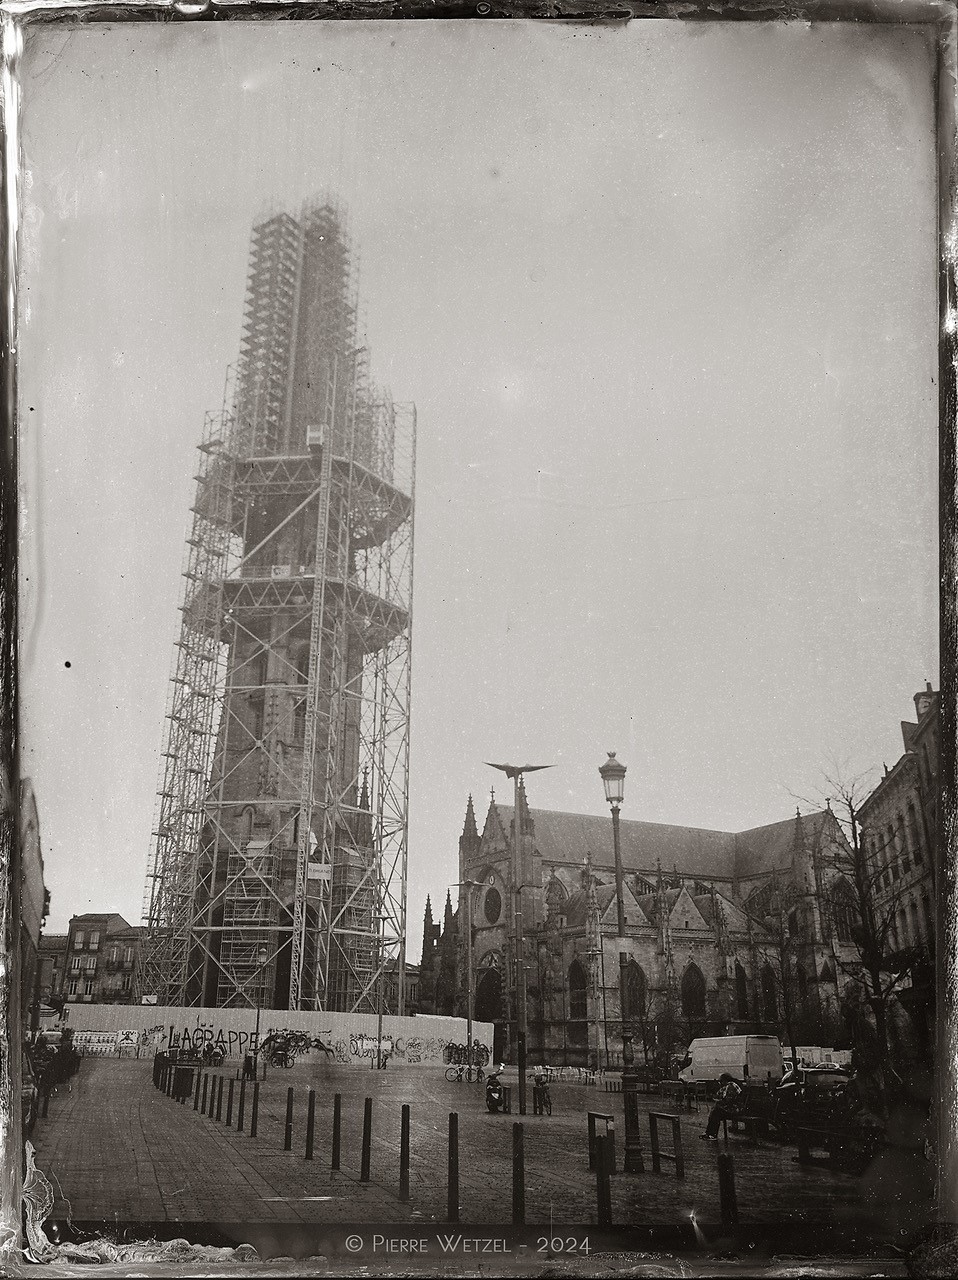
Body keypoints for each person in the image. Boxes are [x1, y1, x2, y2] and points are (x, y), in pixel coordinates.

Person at [701, 1073, 744, 1141]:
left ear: (725, 1080)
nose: (720, 1083)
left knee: (716, 1112)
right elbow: (721, 1096)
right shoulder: (727, 1086)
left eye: (720, 1081)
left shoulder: (731, 1086)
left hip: (734, 1109)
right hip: (733, 1108)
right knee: (715, 1111)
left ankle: (712, 1134)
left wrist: (719, 1101)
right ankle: (709, 1133)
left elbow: (728, 1100)